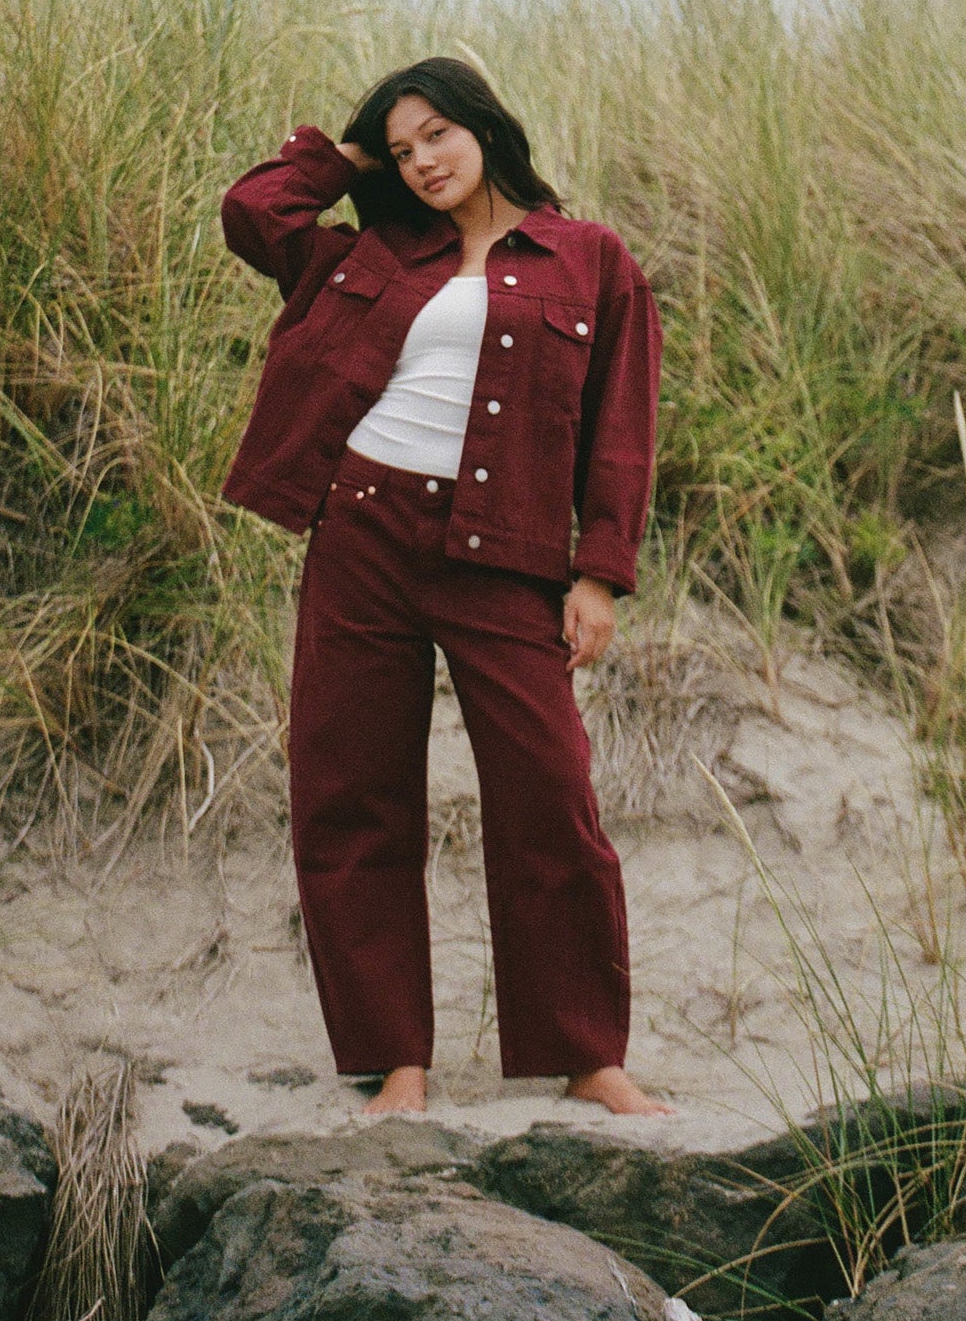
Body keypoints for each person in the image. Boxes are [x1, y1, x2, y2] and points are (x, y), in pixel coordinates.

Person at [220, 56, 670, 1116]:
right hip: (361, 534)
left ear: (485, 124)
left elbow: (622, 426)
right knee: (352, 794)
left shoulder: (589, 260)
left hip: (505, 553)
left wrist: (600, 572)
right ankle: (397, 1061)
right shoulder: (366, 251)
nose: (423, 159)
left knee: (549, 795)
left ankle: (585, 1054)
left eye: (438, 134)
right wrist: (345, 156)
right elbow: (252, 212)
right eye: (403, 144)